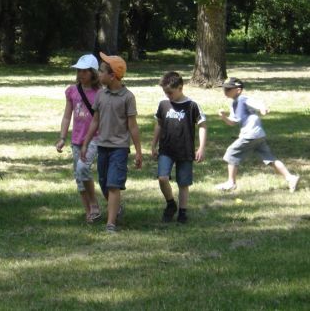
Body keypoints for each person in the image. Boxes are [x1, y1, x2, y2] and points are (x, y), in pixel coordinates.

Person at [81, 52, 142, 233]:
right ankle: (116, 210)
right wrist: (85, 143)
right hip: (103, 146)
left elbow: (133, 127)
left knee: (113, 184)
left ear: (112, 75)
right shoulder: (101, 95)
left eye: (101, 71)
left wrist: (138, 151)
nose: (98, 75)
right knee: (104, 182)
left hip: (119, 148)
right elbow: (95, 121)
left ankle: (110, 223)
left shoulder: (128, 97)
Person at [215, 77, 299, 193]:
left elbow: (258, 103)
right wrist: (224, 117)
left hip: (250, 135)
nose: (225, 91)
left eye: (228, 89)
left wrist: (263, 108)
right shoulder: (234, 104)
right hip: (258, 135)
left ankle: (231, 183)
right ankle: (291, 178)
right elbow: (233, 122)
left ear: (238, 90)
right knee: (270, 159)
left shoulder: (243, 99)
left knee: (231, 153)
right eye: (224, 89)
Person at [151, 72, 207, 224]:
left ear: (180, 88)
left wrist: (201, 147)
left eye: (170, 92)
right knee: (162, 178)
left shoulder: (192, 105)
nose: (168, 95)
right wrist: (153, 145)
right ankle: (170, 204)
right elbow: (159, 125)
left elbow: (202, 125)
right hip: (166, 150)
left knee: (183, 183)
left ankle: (182, 212)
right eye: (165, 92)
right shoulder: (163, 104)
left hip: (185, 150)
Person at [56, 54, 102, 223]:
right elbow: (67, 116)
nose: (80, 74)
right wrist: (62, 137)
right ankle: (89, 211)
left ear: (93, 73)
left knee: (83, 169)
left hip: (94, 139)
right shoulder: (72, 91)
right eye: (78, 71)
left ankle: (95, 204)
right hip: (77, 140)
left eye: (84, 71)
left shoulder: (100, 93)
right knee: (79, 177)